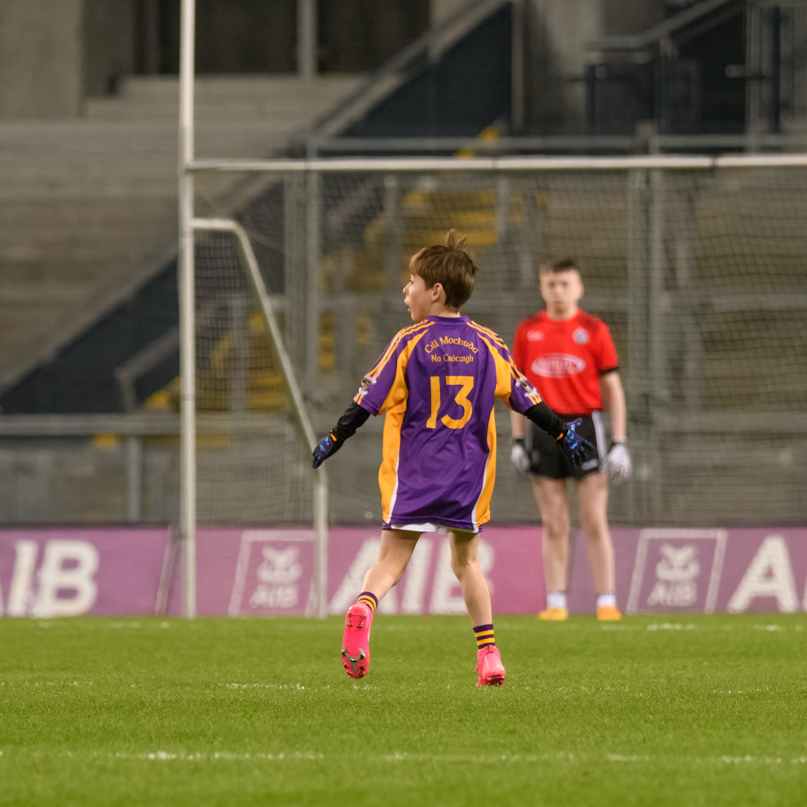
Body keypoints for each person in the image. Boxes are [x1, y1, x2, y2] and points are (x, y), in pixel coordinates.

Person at [312, 232, 592, 686]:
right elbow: (527, 400)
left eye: (412, 282)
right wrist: (563, 432)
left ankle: (364, 606)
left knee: (390, 562)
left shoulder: (408, 342)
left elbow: (365, 402)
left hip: (415, 473)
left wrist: (332, 437)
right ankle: (489, 656)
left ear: (435, 292)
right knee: (467, 564)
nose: (406, 291)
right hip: (468, 475)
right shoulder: (489, 344)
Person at [509, 258, 631, 622]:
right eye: (551, 284)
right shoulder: (527, 331)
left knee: (593, 518)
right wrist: (517, 440)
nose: (558, 291)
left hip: (585, 429)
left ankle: (606, 599)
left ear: (578, 288)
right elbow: (518, 390)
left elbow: (613, 388)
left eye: (565, 284)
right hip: (543, 430)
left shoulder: (594, 330)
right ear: (542, 288)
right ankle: (556, 600)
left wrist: (620, 441)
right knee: (555, 521)